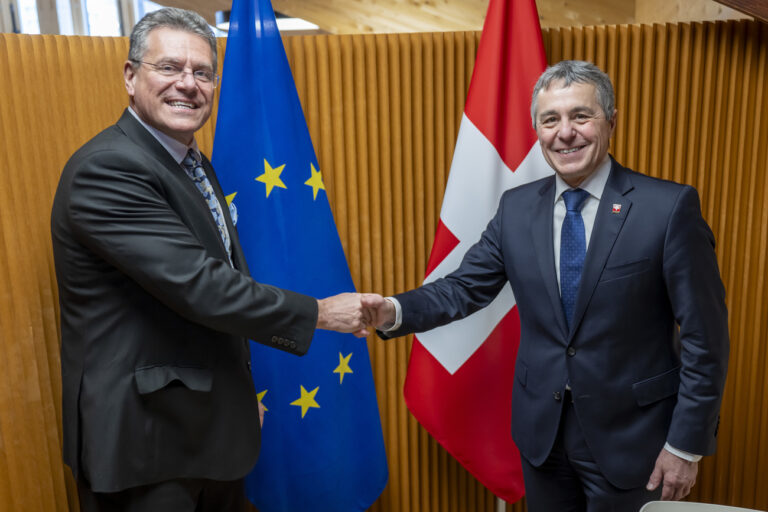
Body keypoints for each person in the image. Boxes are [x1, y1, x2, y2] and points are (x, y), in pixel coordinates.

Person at [362, 60, 729, 511]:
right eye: (550, 119)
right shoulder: (517, 209)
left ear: (610, 121)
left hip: (636, 441)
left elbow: (705, 339)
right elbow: (463, 288)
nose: (565, 132)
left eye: (581, 116)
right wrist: (389, 311)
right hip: (543, 437)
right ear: (537, 130)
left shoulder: (668, 208)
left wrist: (685, 446)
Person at [51, 8, 368, 511]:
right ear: (131, 77)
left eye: (202, 72)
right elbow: (201, 285)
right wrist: (323, 313)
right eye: (170, 67)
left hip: (205, 431)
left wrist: (236, 406)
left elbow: (218, 285)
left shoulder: (190, 162)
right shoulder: (108, 169)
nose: (188, 84)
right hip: (148, 447)